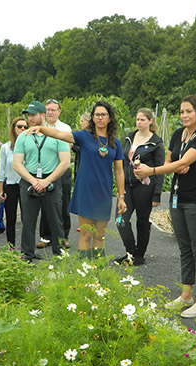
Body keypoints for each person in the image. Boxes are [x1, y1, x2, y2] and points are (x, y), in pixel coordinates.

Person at [136, 95, 196, 318]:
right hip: (177, 198)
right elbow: (170, 161)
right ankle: (186, 293)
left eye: (188, 111)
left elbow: (181, 162)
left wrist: (152, 171)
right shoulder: (178, 134)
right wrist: (173, 167)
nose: (184, 116)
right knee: (185, 248)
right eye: (181, 112)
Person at [25, 101, 126, 259]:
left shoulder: (115, 143)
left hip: (104, 193)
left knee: (100, 236)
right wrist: (41, 129)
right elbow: (59, 135)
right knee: (86, 235)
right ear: (92, 118)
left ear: (109, 118)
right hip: (85, 192)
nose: (100, 118)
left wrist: (121, 197)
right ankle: (84, 274)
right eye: (97, 114)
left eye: (103, 115)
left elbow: (119, 171)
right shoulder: (84, 136)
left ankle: (98, 273)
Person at [12, 101, 71, 261]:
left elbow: (65, 162)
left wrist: (47, 181)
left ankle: (60, 255)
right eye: (28, 115)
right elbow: (17, 164)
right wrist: (33, 181)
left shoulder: (57, 135)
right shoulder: (23, 137)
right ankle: (27, 256)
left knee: (55, 220)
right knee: (28, 222)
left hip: (51, 179)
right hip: (29, 180)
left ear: (43, 115)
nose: (30, 118)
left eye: (33, 115)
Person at [114, 108, 165, 266]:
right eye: (137, 119)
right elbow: (121, 162)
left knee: (142, 221)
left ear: (150, 121)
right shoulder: (129, 137)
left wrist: (157, 194)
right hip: (127, 185)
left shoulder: (156, 142)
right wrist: (119, 187)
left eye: (142, 119)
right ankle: (130, 252)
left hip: (145, 186)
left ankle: (140, 255)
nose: (139, 122)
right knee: (120, 219)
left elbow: (160, 169)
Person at [37, 99, 73, 249]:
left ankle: (63, 236)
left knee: (63, 203)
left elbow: (68, 148)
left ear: (59, 112)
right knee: (45, 204)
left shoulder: (65, 128)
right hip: (44, 170)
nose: (50, 112)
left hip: (61, 170)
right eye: (48, 110)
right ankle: (46, 236)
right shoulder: (38, 127)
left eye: (53, 110)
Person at [0, 117, 27, 247]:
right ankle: (11, 248)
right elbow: (1, 169)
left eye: (25, 127)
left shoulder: (29, 146)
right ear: (14, 128)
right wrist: (0, 190)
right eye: (19, 126)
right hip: (11, 186)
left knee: (27, 219)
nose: (22, 129)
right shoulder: (6, 148)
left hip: (25, 185)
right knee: (11, 218)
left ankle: (27, 249)